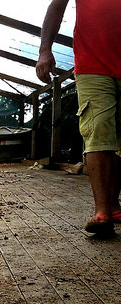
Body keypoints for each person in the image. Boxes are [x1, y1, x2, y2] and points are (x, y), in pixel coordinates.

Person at [37, 0, 121, 236]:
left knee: (119, 137)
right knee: (98, 129)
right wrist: (45, 50)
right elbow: (56, 6)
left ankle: (113, 205)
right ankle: (102, 211)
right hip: (93, 64)